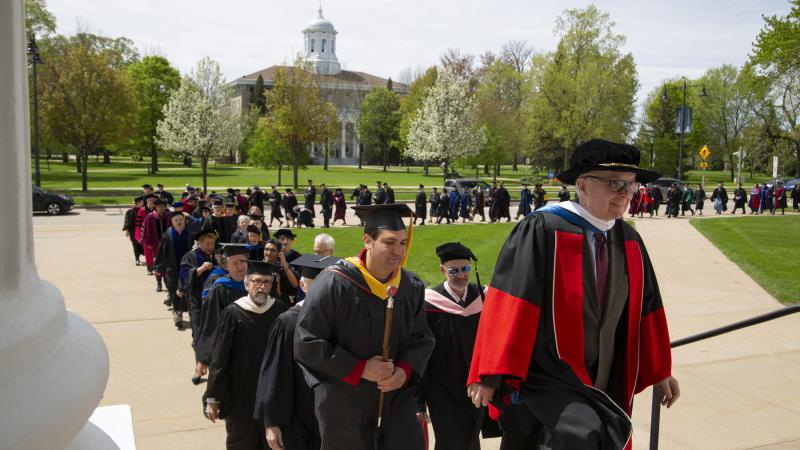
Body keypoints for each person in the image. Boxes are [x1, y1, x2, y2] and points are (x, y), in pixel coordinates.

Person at [467, 139, 678, 450]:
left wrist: (660, 370)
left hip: (607, 371)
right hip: (551, 372)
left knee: (606, 435)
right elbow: (510, 302)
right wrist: (488, 373)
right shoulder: (543, 229)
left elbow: (648, 308)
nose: (625, 194)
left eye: (631, 185)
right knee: (583, 436)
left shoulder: (629, 239)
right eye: (614, 183)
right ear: (582, 185)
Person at [294, 204, 435, 450]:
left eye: (402, 243)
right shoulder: (335, 283)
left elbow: (421, 338)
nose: (398, 251)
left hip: (395, 401)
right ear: (368, 241)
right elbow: (307, 342)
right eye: (389, 242)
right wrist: (360, 368)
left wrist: (404, 371)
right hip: (344, 403)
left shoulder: (410, 285)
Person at [254, 254, 341, 450]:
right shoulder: (287, 322)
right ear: (303, 286)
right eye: (316, 283)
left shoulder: (341, 322)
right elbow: (272, 372)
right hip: (295, 415)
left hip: (333, 417)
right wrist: (271, 422)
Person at [205, 261, 288, 450]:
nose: (262, 286)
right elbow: (220, 359)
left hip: (272, 398)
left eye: (267, 282)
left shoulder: (280, 312)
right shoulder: (233, 314)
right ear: (247, 284)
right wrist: (212, 397)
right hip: (239, 397)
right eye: (257, 281)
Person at [417, 243, 488, 450]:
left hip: (477, 385)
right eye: (453, 270)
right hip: (442, 390)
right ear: (442, 270)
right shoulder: (429, 303)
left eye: (465, 269)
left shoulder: (483, 298)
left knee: (472, 438)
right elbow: (420, 353)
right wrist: (418, 401)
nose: (461, 275)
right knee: (450, 442)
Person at [196, 244, 252, 369]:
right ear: (227, 266)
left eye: (242, 261)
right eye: (234, 263)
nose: (239, 267)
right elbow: (210, 322)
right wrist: (204, 357)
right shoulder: (220, 288)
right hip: (227, 346)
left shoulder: (256, 285)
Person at [180, 229, 219, 384]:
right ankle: (199, 366)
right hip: (196, 301)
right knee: (199, 333)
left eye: (212, 243)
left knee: (214, 332)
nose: (210, 246)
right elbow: (183, 276)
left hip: (214, 300)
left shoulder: (216, 255)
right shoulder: (190, 256)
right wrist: (201, 269)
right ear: (200, 243)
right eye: (207, 243)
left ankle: (212, 366)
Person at [154, 213, 192, 329]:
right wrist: (158, 267)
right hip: (172, 268)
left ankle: (192, 314)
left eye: (181, 219)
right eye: (176, 220)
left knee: (189, 291)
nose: (179, 222)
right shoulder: (167, 235)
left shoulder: (190, 234)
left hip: (188, 268)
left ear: (184, 221)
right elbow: (161, 251)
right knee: (173, 290)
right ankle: (177, 313)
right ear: (172, 222)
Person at [142, 199, 172, 290]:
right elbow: (146, 231)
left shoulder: (169, 216)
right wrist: (148, 243)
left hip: (168, 245)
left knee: (168, 264)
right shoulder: (150, 217)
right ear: (156, 207)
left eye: (163, 207)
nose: (161, 209)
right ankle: (159, 283)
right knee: (157, 264)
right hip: (155, 246)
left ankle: (167, 283)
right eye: (159, 207)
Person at [262, 239, 300, 305]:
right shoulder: (258, 266)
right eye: (266, 249)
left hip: (278, 303)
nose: (268, 253)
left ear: (278, 253)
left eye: (273, 250)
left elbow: (295, 284)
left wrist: (284, 264)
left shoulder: (282, 267)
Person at [123, 196, 145, 266]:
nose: (143, 203)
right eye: (142, 202)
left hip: (142, 232)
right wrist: (127, 231)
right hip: (133, 232)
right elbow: (127, 222)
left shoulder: (144, 210)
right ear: (138, 203)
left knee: (143, 246)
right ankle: (137, 259)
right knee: (135, 246)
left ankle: (149, 258)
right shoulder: (130, 212)